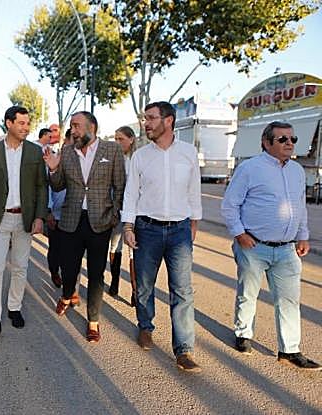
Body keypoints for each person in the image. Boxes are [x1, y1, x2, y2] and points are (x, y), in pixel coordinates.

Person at [221, 121, 320, 371]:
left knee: (289, 300)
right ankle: (243, 334)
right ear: (266, 143)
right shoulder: (249, 168)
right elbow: (230, 205)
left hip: (287, 249)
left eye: (292, 139)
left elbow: (300, 206)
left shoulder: (297, 171)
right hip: (254, 246)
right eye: (282, 139)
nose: (289, 143)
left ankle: (290, 350)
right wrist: (240, 234)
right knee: (248, 293)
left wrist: (303, 235)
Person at [121, 101, 202, 372]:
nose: (146, 123)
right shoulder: (140, 156)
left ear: (168, 121)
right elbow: (131, 194)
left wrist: (194, 223)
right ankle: (145, 326)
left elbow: (194, 191)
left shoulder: (188, 153)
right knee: (144, 285)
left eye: (151, 118)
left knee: (182, 290)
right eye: (145, 118)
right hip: (147, 229)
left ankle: (184, 349)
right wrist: (128, 227)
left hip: (180, 230)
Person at [44, 111, 126, 343]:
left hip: (101, 221)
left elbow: (120, 185)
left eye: (77, 126)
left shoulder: (112, 150)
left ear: (92, 127)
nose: (73, 130)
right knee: (69, 268)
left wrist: (115, 215)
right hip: (71, 220)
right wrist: (53, 169)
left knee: (96, 273)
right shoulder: (67, 151)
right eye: (72, 126)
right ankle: (67, 295)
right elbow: (58, 186)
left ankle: (93, 320)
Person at [0, 106, 48, 342]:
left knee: (20, 266)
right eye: (21, 123)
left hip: (24, 218)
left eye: (28, 124)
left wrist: (39, 216)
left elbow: (41, 186)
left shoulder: (35, 152)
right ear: (9, 123)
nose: (26, 128)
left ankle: (14, 308)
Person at [46, 128, 80, 307]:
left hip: (74, 216)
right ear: (66, 141)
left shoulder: (83, 158)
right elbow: (47, 186)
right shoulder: (56, 158)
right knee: (55, 250)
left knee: (73, 255)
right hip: (56, 214)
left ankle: (73, 290)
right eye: (73, 139)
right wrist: (49, 211)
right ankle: (54, 271)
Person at [108, 126, 137, 302]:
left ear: (131, 139)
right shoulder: (113, 159)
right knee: (115, 247)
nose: (117, 142)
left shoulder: (137, 159)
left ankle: (135, 289)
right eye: (115, 139)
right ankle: (115, 281)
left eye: (121, 139)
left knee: (133, 250)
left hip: (135, 210)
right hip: (117, 209)